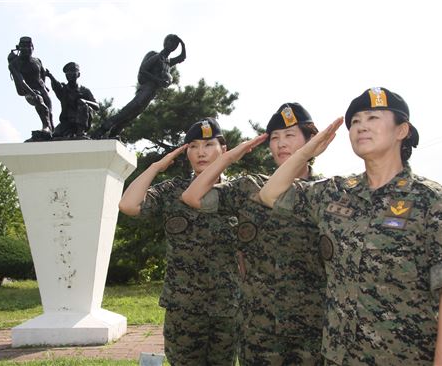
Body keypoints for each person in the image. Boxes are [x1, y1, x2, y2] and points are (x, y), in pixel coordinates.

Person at [259, 87, 442, 365]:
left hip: (402, 357)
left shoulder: (434, 201)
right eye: (355, 122)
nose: (361, 127)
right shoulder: (335, 192)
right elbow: (270, 194)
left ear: (402, 130)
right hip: (337, 357)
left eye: (372, 118)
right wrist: (305, 152)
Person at [182, 103, 326, 365]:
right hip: (258, 329)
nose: (281, 144)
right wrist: (227, 158)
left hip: (311, 329)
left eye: (290, 135)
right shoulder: (249, 187)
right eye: (275, 138)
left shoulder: (328, 194)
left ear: (311, 141)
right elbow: (192, 196)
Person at [118, 118, 240, 365]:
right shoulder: (172, 191)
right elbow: (128, 205)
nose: (201, 152)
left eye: (208, 144)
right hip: (183, 308)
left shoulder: (239, 192)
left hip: (227, 308)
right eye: (193, 146)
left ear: (224, 149)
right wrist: (155, 167)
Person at [92, 34, 186, 139]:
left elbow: (183, 57)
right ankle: (102, 129)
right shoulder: (156, 56)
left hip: (152, 93)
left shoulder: (168, 62)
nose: (173, 45)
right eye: (171, 42)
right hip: (146, 88)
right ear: (165, 42)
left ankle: (114, 133)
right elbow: (143, 70)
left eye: (175, 44)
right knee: (129, 109)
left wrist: (182, 43)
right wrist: (158, 80)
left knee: (133, 115)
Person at [7, 36, 54, 132]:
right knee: (40, 103)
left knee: (49, 110)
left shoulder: (37, 60)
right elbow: (21, 81)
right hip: (27, 90)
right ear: (19, 48)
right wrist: (33, 93)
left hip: (41, 88)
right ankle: (46, 126)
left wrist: (44, 86)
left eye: (29, 47)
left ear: (32, 47)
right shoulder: (14, 64)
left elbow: (42, 73)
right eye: (23, 47)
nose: (26, 49)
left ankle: (51, 130)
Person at [47, 62, 99, 139]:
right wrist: (50, 76)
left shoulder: (84, 90)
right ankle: (69, 132)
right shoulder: (63, 89)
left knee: (83, 105)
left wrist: (85, 101)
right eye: (67, 72)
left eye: (73, 71)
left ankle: (80, 132)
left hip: (81, 122)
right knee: (55, 135)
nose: (70, 74)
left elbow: (97, 106)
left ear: (78, 74)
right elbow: (56, 86)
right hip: (67, 122)